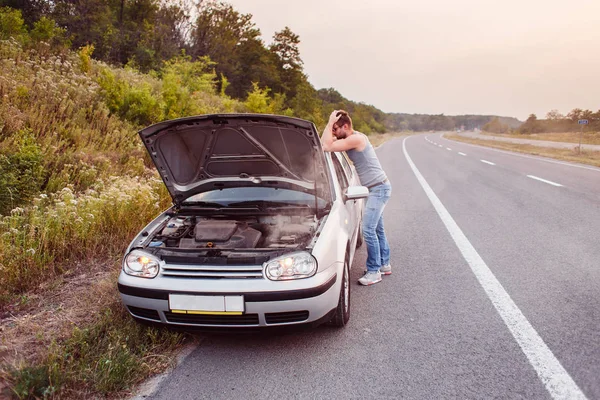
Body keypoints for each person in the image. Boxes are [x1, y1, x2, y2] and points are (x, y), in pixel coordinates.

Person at [321, 110, 392, 286]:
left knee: (368, 230)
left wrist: (330, 122)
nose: (334, 133)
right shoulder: (349, 138)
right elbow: (326, 142)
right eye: (333, 129)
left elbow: (325, 146)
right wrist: (331, 126)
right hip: (376, 188)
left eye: (336, 129)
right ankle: (384, 263)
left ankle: (374, 271)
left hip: (379, 189)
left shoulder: (356, 139)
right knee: (377, 229)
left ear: (346, 126)